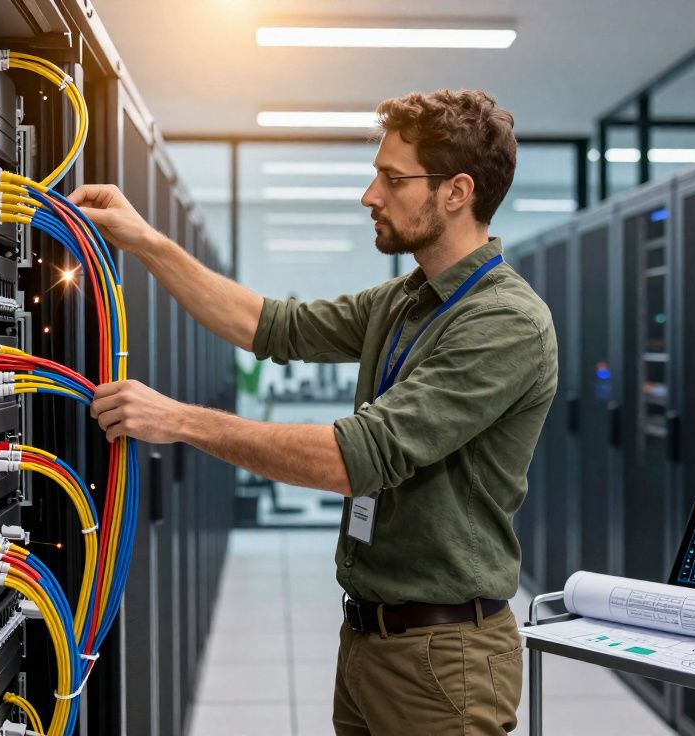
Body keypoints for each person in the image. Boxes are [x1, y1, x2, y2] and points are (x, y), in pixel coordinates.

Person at [72, 88, 557, 735]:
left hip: (445, 660)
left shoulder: (503, 321)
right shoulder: (406, 302)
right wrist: (146, 242)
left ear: (456, 191)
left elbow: (350, 459)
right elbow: (272, 326)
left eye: (392, 178)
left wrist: (181, 421)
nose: (370, 195)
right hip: (370, 637)